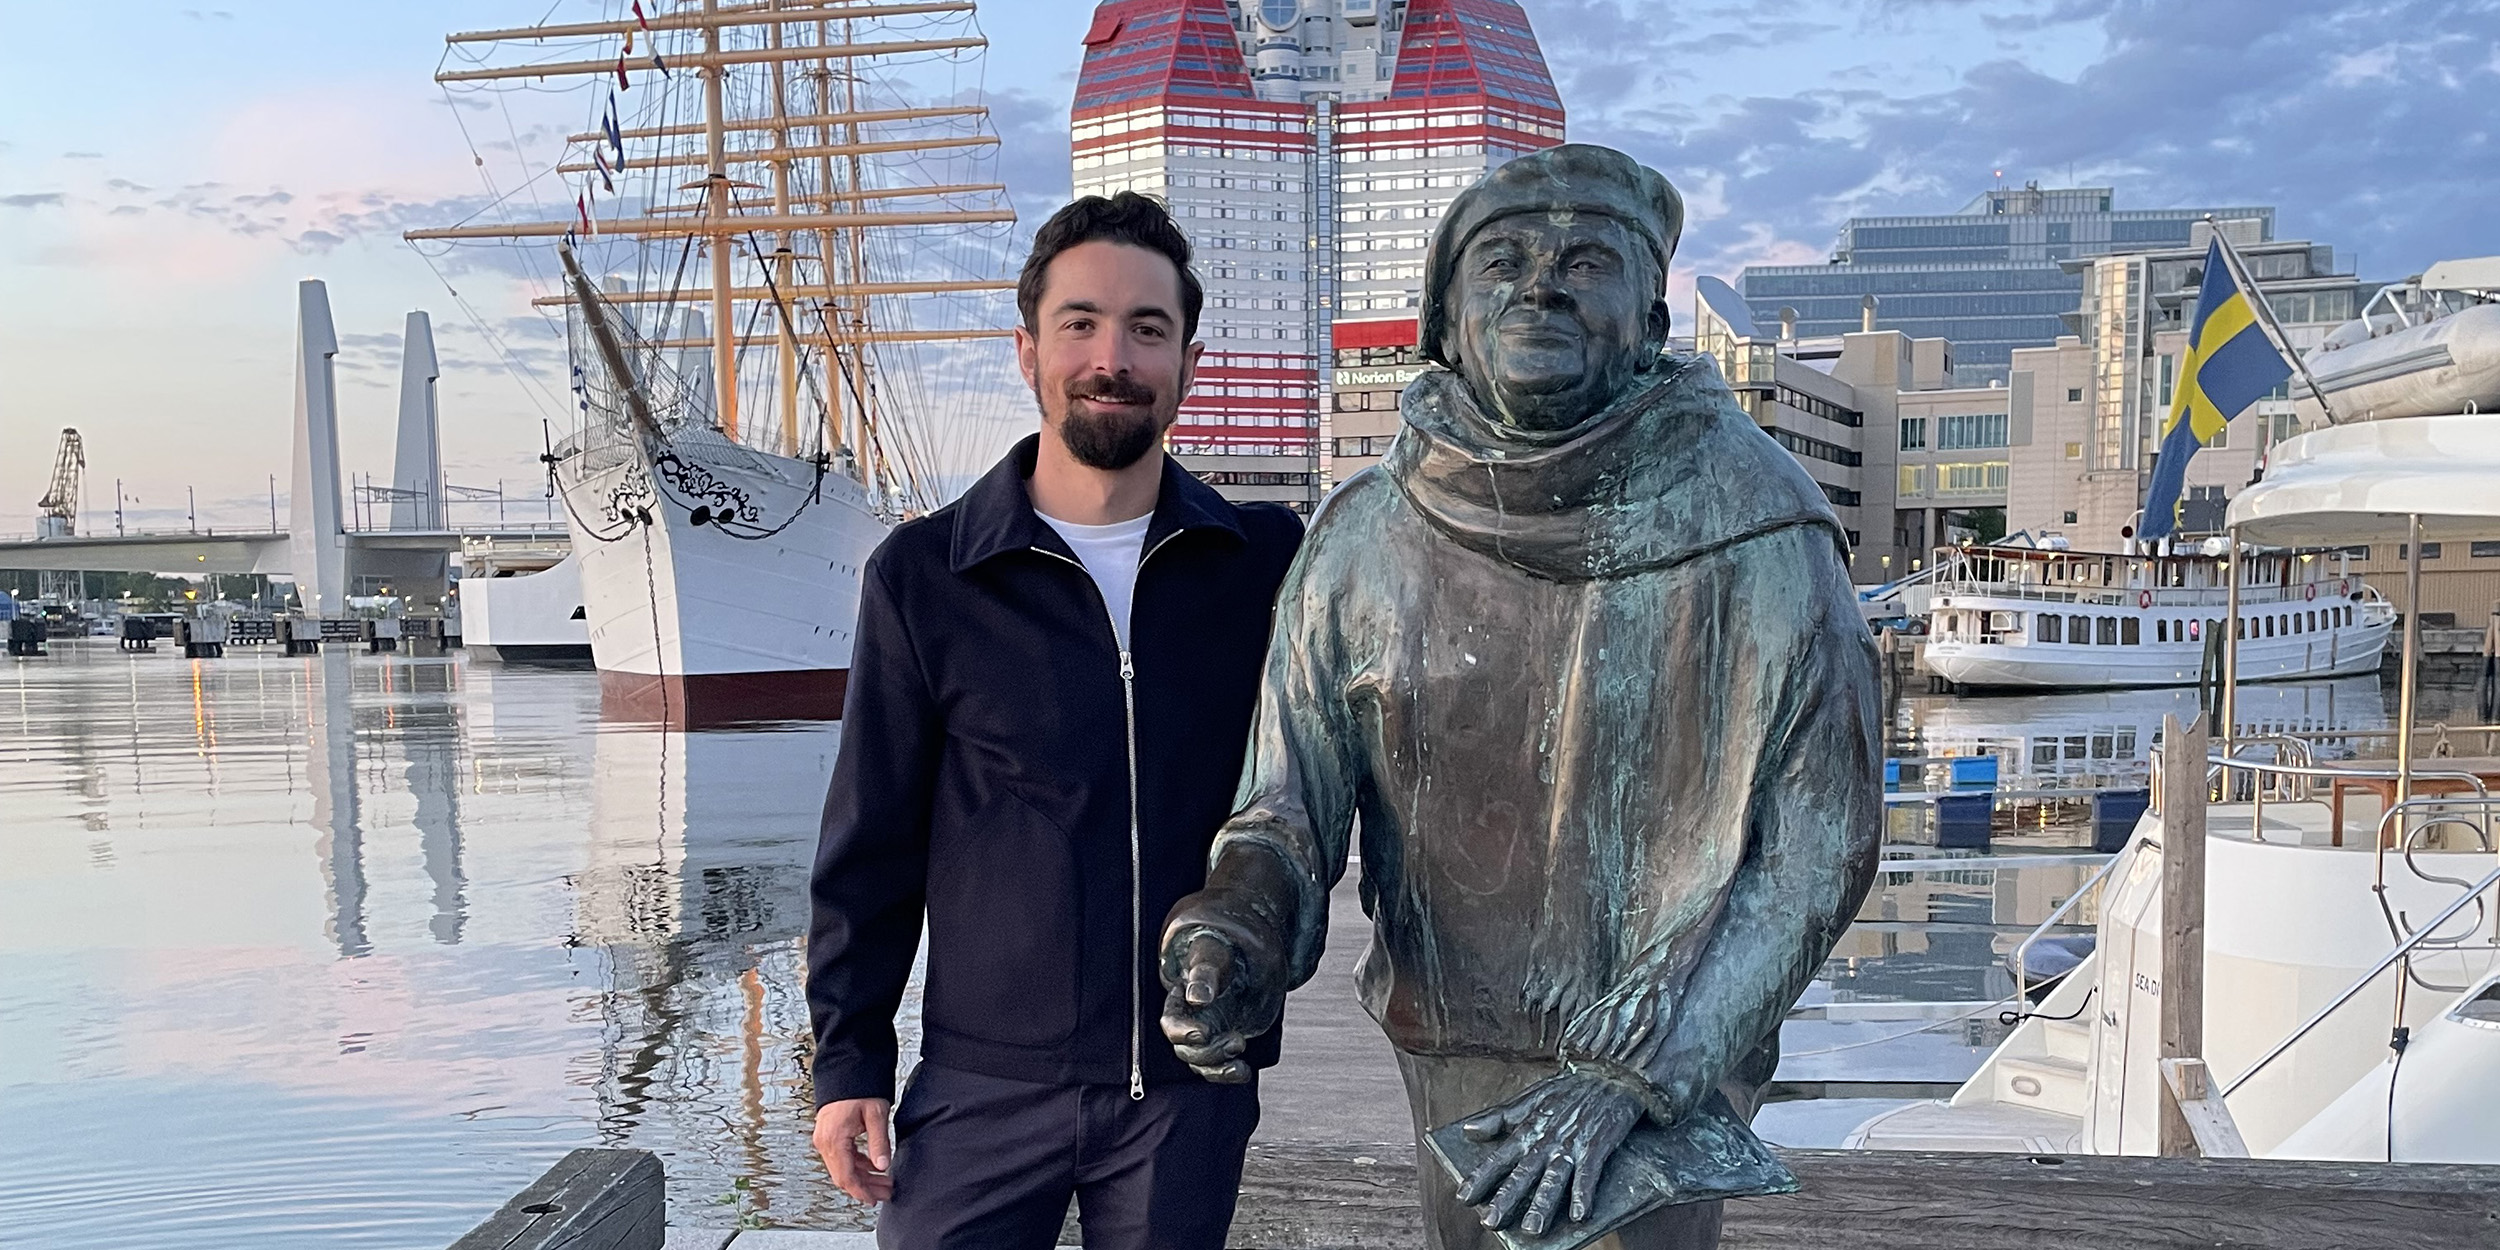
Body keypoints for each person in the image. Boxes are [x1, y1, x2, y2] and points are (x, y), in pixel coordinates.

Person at [1158, 145, 1883, 1249]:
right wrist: (1236, 929)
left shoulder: (1763, 527)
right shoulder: (1362, 539)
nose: (1539, 283)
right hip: (1455, 1049)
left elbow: (1816, 853)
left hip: (1663, 1064)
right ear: (1442, 319)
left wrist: (1638, 1070)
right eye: (1500, 259)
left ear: (1646, 319)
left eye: (1584, 261)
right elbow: (1287, 806)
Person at [805, 192, 1305, 1250]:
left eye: (1146, 328)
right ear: (1025, 350)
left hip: (1188, 1078)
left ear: (1188, 362)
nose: (1110, 356)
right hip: (983, 1083)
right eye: (1079, 323)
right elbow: (871, 842)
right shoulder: (927, 573)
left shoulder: (1261, 565)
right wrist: (848, 1061)